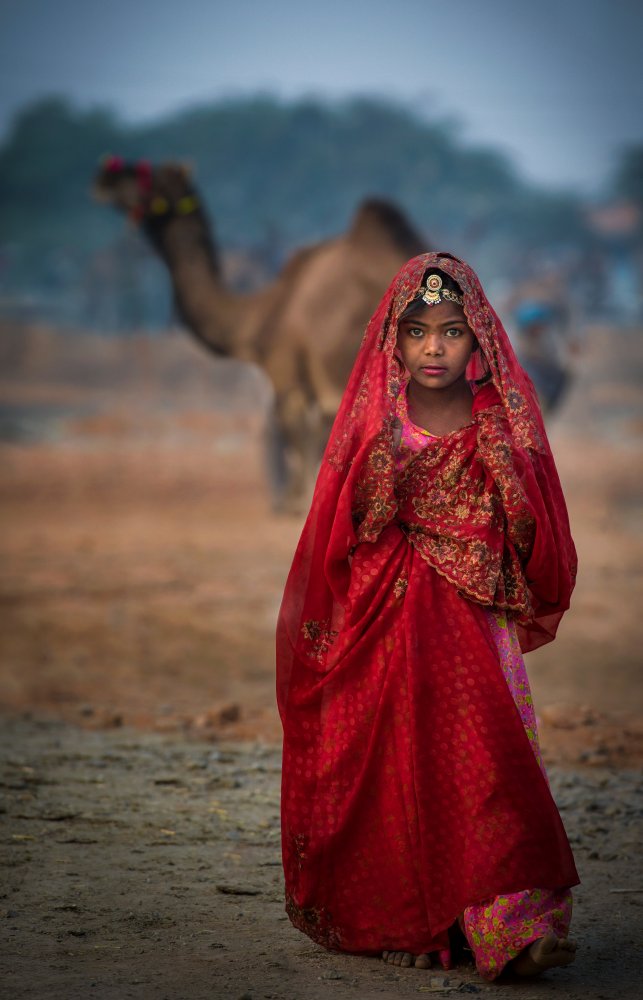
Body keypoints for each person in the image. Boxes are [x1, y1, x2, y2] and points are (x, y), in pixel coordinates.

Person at [276, 252, 579, 981]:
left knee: (488, 769)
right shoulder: (372, 425)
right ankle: (409, 921)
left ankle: (514, 928)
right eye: (416, 332)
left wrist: (506, 470)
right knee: (394, 768)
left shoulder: (497, 423)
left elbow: (537, 529)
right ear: (392, 340)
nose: (433, 348)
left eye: (450, 331)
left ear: (479, 341)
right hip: (385, 623)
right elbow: (335, 530)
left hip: (474, 626)